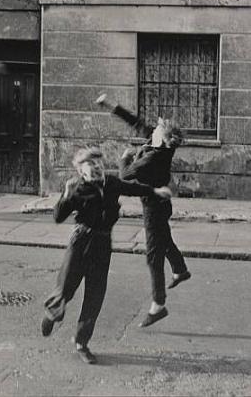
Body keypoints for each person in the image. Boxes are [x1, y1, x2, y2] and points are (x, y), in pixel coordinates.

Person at [41, 147, 172, 364]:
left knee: (95, 295)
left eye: (99, 165)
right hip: (80, 242)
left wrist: (155, 191)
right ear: (81, 172)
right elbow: (58, 217)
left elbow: (133, 188)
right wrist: (65, 195)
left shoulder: (111, 183)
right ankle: (52, 314)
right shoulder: (77, 189)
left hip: (102, 244)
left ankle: (82, 342)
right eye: (91, 167)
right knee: (65, 288)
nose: (97, 169)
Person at [96, 94, 191, 328]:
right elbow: (136, 122)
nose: (153, 128)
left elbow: (125, 176)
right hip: (160, 205)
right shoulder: (155, 141)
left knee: (153, 256)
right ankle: (180, 269)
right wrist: (111, 106)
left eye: (158, 128)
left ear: (163, 139)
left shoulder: (153, 157)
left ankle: (158, 305)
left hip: (154, 207)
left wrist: (124, 158)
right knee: (164, 239)